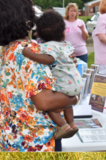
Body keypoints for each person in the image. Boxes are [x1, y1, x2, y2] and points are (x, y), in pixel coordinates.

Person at [0, 0, 77, 152]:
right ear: (25, 17)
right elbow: (45, 102)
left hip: (10, 134)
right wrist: (73, 98)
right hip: (35, 140)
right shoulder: (32, 52)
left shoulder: (9, 49)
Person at [22, 11, 82, 139]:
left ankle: (63, 126)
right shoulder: (66, 45)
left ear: (39, 33)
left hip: (63, 85)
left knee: (51, 107)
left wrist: (30, 54)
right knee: (67, 105)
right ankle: (72, 123)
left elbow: (49, 59)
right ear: (63, 31)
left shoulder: (48, 46)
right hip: (75, 84)